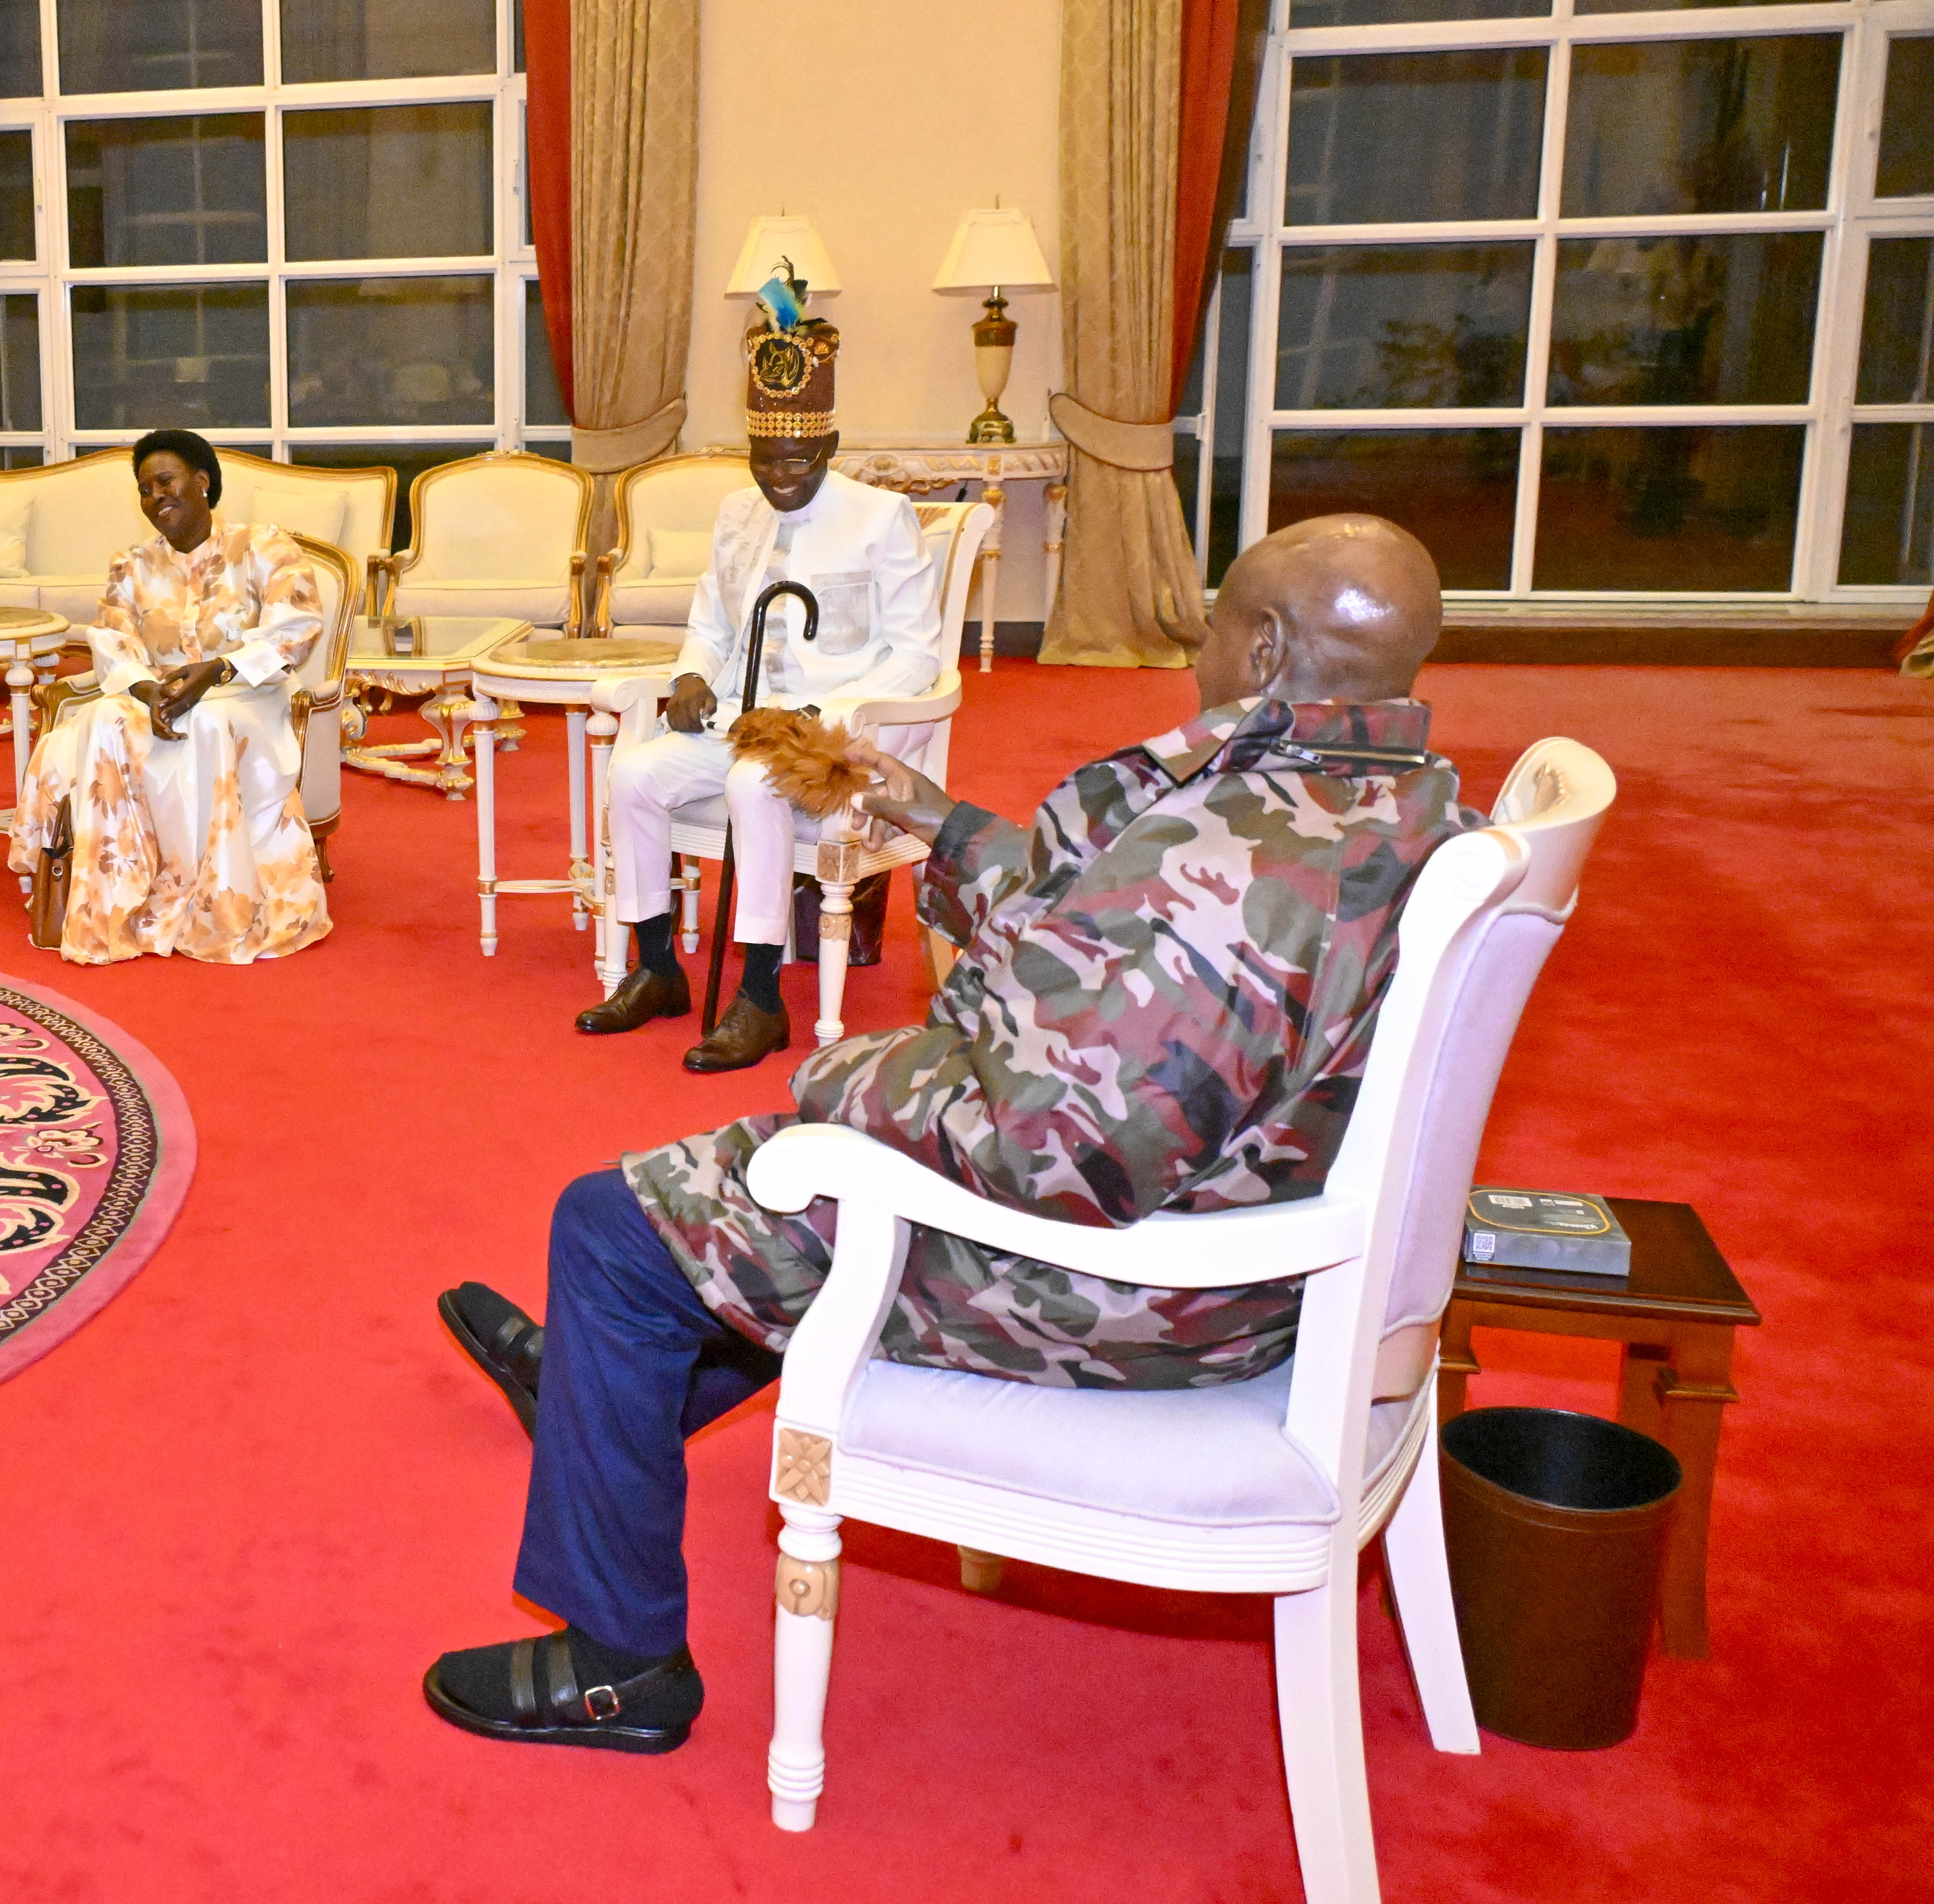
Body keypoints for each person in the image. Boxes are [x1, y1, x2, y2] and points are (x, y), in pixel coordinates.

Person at [424, 513, 1479, 1753]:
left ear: (1260, 649)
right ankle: (605, 1397)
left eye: (1206, 629)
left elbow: (1055, 1154)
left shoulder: (1227, 855)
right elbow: (1114, 936)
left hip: (1124, 1292)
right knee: (728, 1210)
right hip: (1245, 1233)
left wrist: (851, 1081)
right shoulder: (1383, 802)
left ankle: (618, 1661)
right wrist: (942, 828)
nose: (1192, 654)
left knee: (612, 1227)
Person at [578, 299, 941, 1072]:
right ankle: (656, 968)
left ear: (831, 446)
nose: (780, 478)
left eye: (799, 461)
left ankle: (761, 996)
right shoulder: (737, 513)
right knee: (635, 772)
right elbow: (712, 620)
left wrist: (831, 717)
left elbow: (918, 654)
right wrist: (689, 673)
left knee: (755, 784)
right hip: (739, 722)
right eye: (765, 461)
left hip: (837, 742)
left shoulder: (883, 518)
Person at [8, 427, 329, 964]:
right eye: (145, 488)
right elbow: (112, 642)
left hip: (247, 694)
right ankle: (113, 905)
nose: (156, 495)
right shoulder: (131, 564)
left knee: (203, 723)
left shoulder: (263, 546)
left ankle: (213, 905)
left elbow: (296, 630)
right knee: (105, 718)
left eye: (165, 480)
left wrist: (217, 670)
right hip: (154, 696)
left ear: (202, 482)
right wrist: (148, 689)